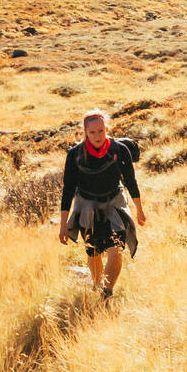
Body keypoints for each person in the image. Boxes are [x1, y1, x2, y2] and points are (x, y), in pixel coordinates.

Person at [59, 109, 146, 298]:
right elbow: (68, 190)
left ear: (106, 129)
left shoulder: (120, 150)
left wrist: (139, 210)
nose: (97, 136)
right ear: (85, 132)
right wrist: (63, 224)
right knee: (94, 252)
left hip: (114, 205)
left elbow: (131, 181)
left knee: (116, 250)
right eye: (92, 132)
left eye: (101, 131)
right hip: (87, 209)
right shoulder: (75, 155)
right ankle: (97, 285)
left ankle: (106, 293)